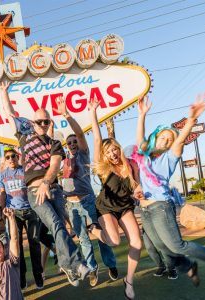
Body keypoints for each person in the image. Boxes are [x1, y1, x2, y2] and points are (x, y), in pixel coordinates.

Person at [0, 81, 90, 287]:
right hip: (34, 191)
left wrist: (47, 183)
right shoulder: (24, 137)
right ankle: (74, 264)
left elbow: (55, 165)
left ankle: (69, 267)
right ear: (33, 122)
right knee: (55, 225)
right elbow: (10, 112)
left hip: (53, 189)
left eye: (46, 122)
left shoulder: (55, 144)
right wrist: (4, 92)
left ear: (50, 123)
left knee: (62, 230)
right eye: (39, 121)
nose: (42, 125)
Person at [134, 93, 205, 288]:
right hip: (145, 210)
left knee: (176, 245)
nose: (166, 141)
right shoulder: (144, 156)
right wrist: (142, 114)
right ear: (155, 137)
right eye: (163, 137)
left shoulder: (169, 157)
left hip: (161, 207)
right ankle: (188, 266)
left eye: (169, 140)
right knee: (161, 246)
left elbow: (179, 140)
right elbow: (140, 139)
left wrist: (192, 119)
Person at [56, 96, 118, 287]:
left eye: (74, 142)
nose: (73, 144)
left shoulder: (83, 154)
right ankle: (92, 268)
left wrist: (66, 114)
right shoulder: (63, 161)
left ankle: (111, 264)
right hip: (72, 205)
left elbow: (81, 135)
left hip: (89, 201)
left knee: (101, 236)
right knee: (83, 240)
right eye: (70, 143)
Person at [90, 98, 143, 300]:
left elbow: (136, 186)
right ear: (104, 155)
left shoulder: (130, 165)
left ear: (118, 148)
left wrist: (138, 193)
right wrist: (93, 113)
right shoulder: (104, 169)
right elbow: (96, 139)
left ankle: (128, 281)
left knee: (136, 242)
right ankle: (93, 229)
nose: (112, 153)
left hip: (124, 207)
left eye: (114, 149)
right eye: (108, 151)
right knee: (113, 241)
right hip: (105, 208)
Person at [0, 146, 44, 289]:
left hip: (30, 211)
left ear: (17, 157)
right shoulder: (2, 175)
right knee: (16, 247)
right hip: (14, 214)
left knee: (34, 244)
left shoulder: (25, 170)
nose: (11, 159)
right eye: (8, 157)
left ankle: (38, 277)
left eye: (13, 156)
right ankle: (21, 279)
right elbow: (2, 194)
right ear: (5, 160)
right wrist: (2, 211)